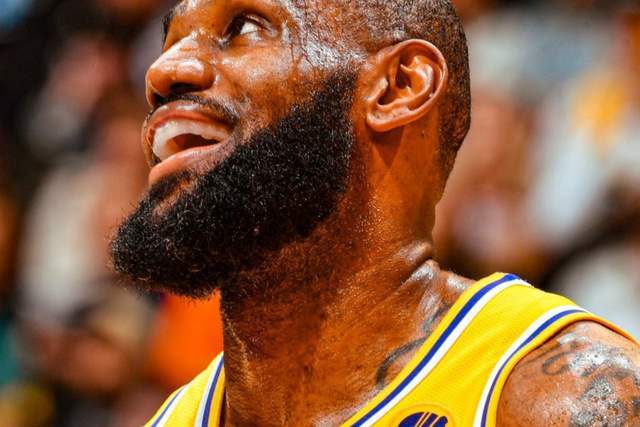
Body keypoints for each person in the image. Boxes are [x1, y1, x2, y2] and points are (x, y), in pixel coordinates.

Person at [108, 0, 640, 425]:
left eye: (244, 27)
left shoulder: (563, 395)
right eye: (170, 41)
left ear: (399, 86)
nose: (162, 71)